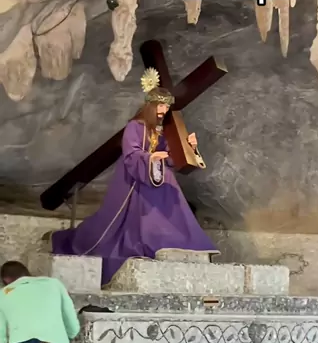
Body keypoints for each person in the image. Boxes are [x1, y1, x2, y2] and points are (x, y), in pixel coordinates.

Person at [51, 69, 218, 285]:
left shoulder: (164, 131)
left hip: (159, 176)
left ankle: (176, 241)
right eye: (160, 106)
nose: (164, 110)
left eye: (166, 107)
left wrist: (190, 147)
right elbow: (131, 153)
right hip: (137, 178)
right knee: (124, 220)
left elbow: (172, 159)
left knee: (173, 197)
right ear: (150, 106)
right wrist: (151, 157)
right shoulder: (135, 126)